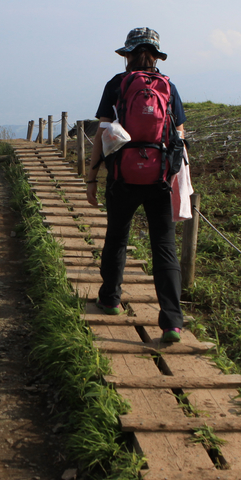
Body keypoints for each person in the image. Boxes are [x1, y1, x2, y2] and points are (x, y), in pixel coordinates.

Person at [85, 27, 186, 343]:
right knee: (164, 247)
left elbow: (103, 133)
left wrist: (92, 176)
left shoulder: (117, 85)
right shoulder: (168, 87)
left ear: (127, 55)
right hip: (159, 177)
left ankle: (110, 299)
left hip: (122, 177)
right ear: (156, 56)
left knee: (116, 236)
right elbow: (179, 135)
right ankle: (172, 321)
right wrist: (175, 173)